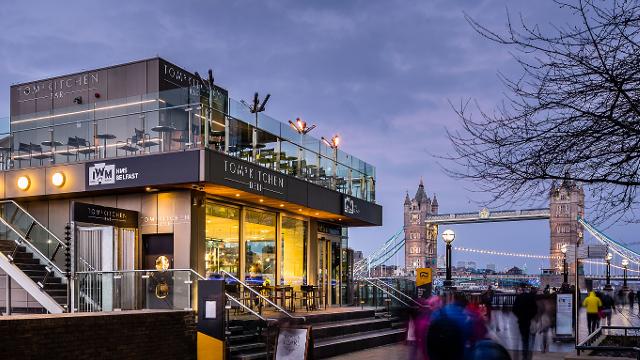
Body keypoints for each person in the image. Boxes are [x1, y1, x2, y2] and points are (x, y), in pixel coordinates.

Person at [512, 286, 537, 360]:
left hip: (522, 321)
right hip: (530, 321)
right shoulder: (530, 297)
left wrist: (519, 316)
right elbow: (535, 309)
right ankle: (529, 355)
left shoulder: (518, 298)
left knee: (524, 339)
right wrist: (530, 316)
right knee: (530, 339)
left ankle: (524, 356)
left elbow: (514, 309)